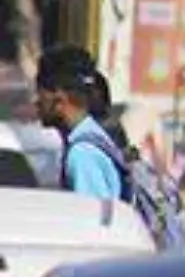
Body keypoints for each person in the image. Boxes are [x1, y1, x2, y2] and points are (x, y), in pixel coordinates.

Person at [35, 45, 124, 202]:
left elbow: (92, 221)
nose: (36, 102)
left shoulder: (82, 154)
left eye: (40, 93)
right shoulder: (95, 137)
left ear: (59, 98)